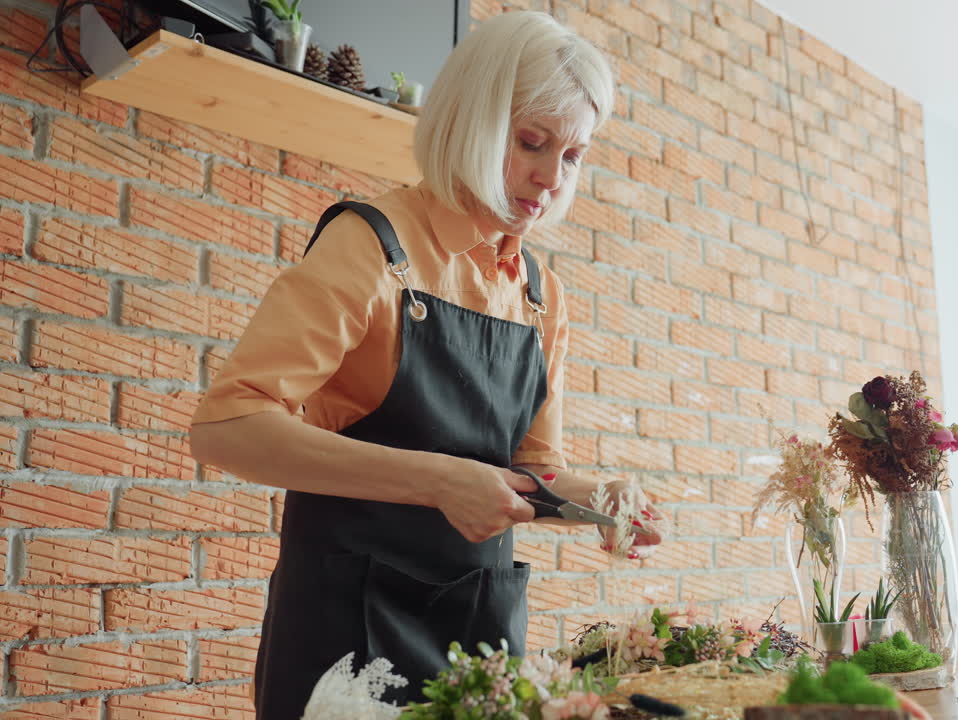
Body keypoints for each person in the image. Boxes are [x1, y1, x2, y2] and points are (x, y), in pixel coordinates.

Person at [188, 11, 661, 718]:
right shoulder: (371, 246)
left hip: (479, 645)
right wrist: (437, 480)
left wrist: (604, 501)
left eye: (572, 156)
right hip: (348, 644)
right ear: (473, 120)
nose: (548, 176)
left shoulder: (538, 294)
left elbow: (533, 470)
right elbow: (226, 426)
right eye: (531, 142)